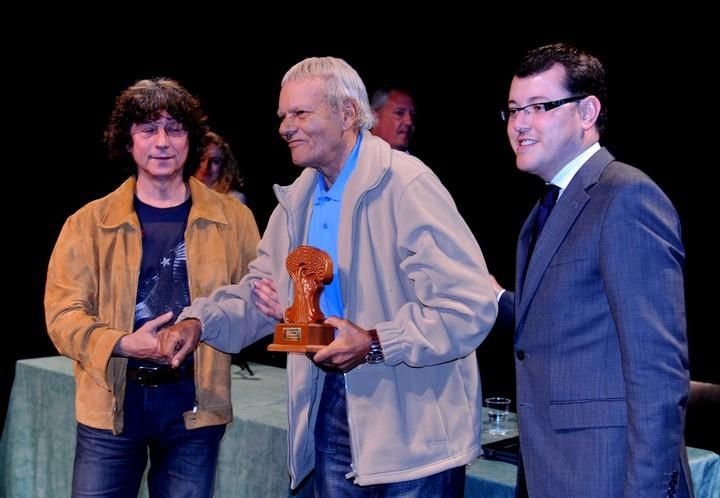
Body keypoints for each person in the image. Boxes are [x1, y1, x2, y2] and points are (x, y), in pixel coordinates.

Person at [159, 56, 497, 497]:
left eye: (300, 113)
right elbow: (261, 293)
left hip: (413, 431)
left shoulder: (407, 185)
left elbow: (470, 306)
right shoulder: (296, 200)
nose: (285, 127)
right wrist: (199, 321)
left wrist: (375, 342)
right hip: (329, 405)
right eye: (282, 116)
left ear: (348, 114)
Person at [44, 77, 261, 498]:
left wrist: (203, 323)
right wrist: (123, 343)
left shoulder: (233, 220)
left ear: (191, 139)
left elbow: (258, 300)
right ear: (128, 141)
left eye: (174, 129)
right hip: (111, 401)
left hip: (196, 403)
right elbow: (62, 315)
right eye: (148, 129)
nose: (162, 141)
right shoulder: (88, 223)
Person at [494, 43, 692, 497]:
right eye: (512, 110)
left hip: (608, 477)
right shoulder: (541, 213)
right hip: (552, 472)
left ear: (587, 112)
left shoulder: (627, 198)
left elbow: (658, 374)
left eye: (539, 107)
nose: (520, 124)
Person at [193, 130, 247, 203]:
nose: (206, 166)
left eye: (215, 161)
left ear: (224, 167)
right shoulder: (183, 194)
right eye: (202, 159)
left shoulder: (234, 199)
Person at [370, 86, 416, 151]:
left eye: (412, 115)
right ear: (373, 117)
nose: (409, 122)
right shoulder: (355, 154)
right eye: (399, 113)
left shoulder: (413, 161)